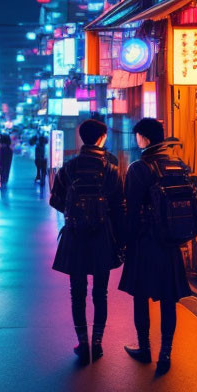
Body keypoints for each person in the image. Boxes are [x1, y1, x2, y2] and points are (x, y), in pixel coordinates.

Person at [118, 117, 192, 376]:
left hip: (145, 242)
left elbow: (131, 210)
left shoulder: (140, 168)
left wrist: (124, 242)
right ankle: (166, 353)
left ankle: (145, 348)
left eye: (138, 136)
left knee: (141, 297)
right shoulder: (177, 164)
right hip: (171, 244)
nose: (136, 140)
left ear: (145, 138)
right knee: (168, 300)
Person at [50, 119, 126, 365]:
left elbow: (55, 200)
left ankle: (82, 342)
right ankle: (98, 343)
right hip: (103, 237)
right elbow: (119, 208)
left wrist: (74, 215)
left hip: (75, 238)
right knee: (100, 293)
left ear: (82, 138)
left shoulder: (69, 168)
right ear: (102, 137)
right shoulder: (111, 170)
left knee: (77, 292)